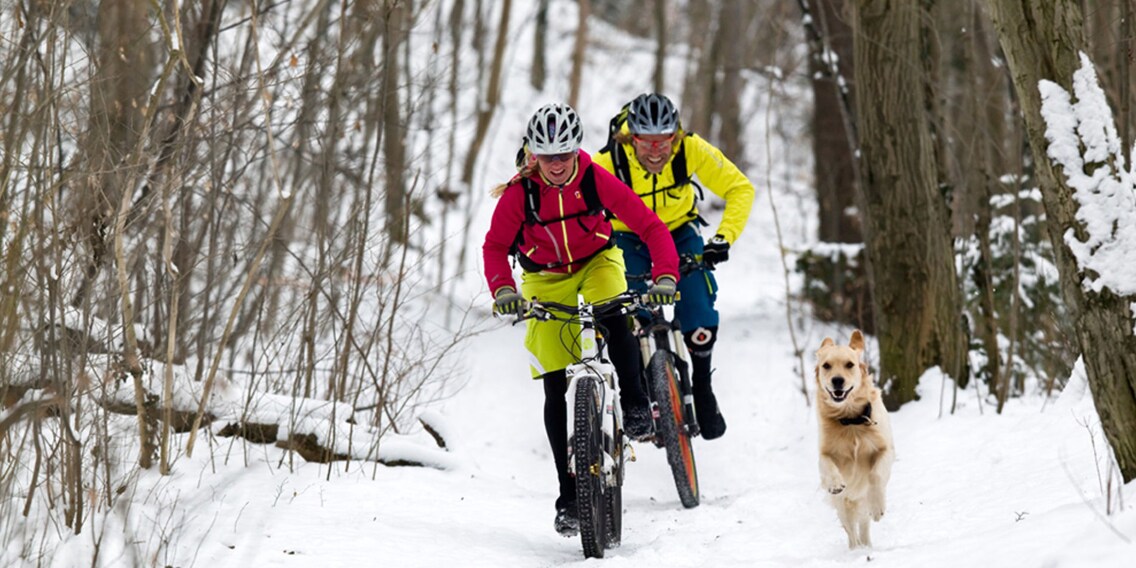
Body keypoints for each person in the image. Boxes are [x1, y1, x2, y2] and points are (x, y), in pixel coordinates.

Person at [482, 103, 681, 536]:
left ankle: (633, 401)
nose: (556, 165)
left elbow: (650, 227)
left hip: (597, 261)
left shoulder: (594, 179)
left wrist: (665, 273)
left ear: (577, 150)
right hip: (543, 276)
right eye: (547, 156)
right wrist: (503, 290)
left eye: (564, 155)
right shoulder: (521, 193)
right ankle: (568, 496)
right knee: (554, 381)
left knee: (614, 310)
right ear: (533, 154)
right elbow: (495, 247)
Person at [593, 92, 755, 441]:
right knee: (629, 315)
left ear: (675, 137)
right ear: (630, 138)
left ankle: (702, 385)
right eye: (646, 143)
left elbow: (740, 188)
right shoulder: (607, 163)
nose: (656, 152)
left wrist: (723, 238)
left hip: (680, 231)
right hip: (628, 237)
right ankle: (644, 391)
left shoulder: (691, 149)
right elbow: (580, 208)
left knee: (697, 306)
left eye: (663, 142)